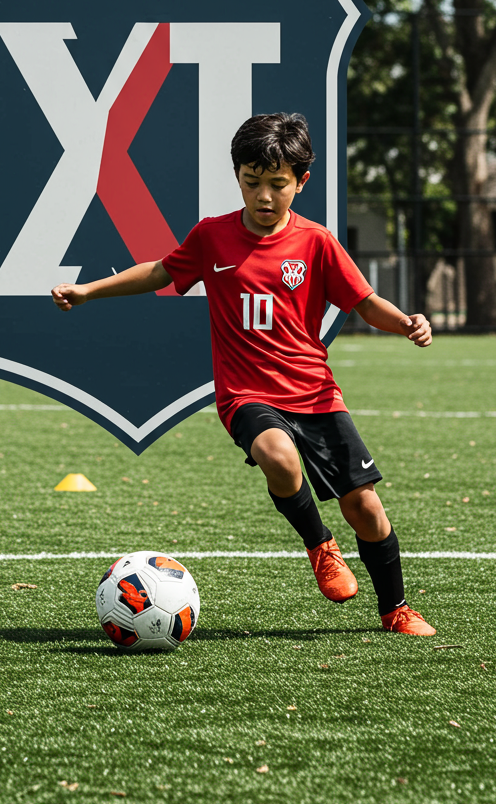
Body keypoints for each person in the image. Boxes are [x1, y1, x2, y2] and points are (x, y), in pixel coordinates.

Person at [51, 112, 436, 636]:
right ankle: (320, 545)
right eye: (252, 182)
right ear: (237, 177)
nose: (264, 196)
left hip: (317, 394)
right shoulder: (212, 236)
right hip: (246, 393)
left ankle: (396, 610)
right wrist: (88, 290)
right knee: (278, 456)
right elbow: (161, 271)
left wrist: (406, 322)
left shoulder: (317, 242)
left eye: (277, 184)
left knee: (365, 506)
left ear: (301, 182)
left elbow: (364, 303)